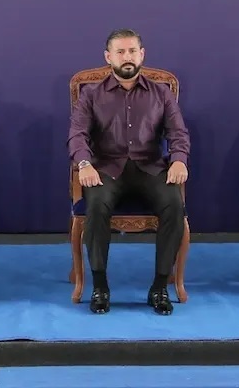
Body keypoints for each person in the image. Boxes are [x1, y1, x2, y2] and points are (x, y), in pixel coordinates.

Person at [67, 29, 189, 315]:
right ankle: (99, 285)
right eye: (120, 52)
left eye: (133, 51)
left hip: (150, 166)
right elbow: (77, 135)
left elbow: (178, 133)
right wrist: (84, 164)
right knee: (95, 203)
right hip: (106, 169)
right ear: (108, 57)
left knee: (174, 203)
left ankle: (160, 286)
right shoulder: (91, 94)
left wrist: (180, 159)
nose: (127, 57)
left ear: (142, 54)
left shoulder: (162, 93)